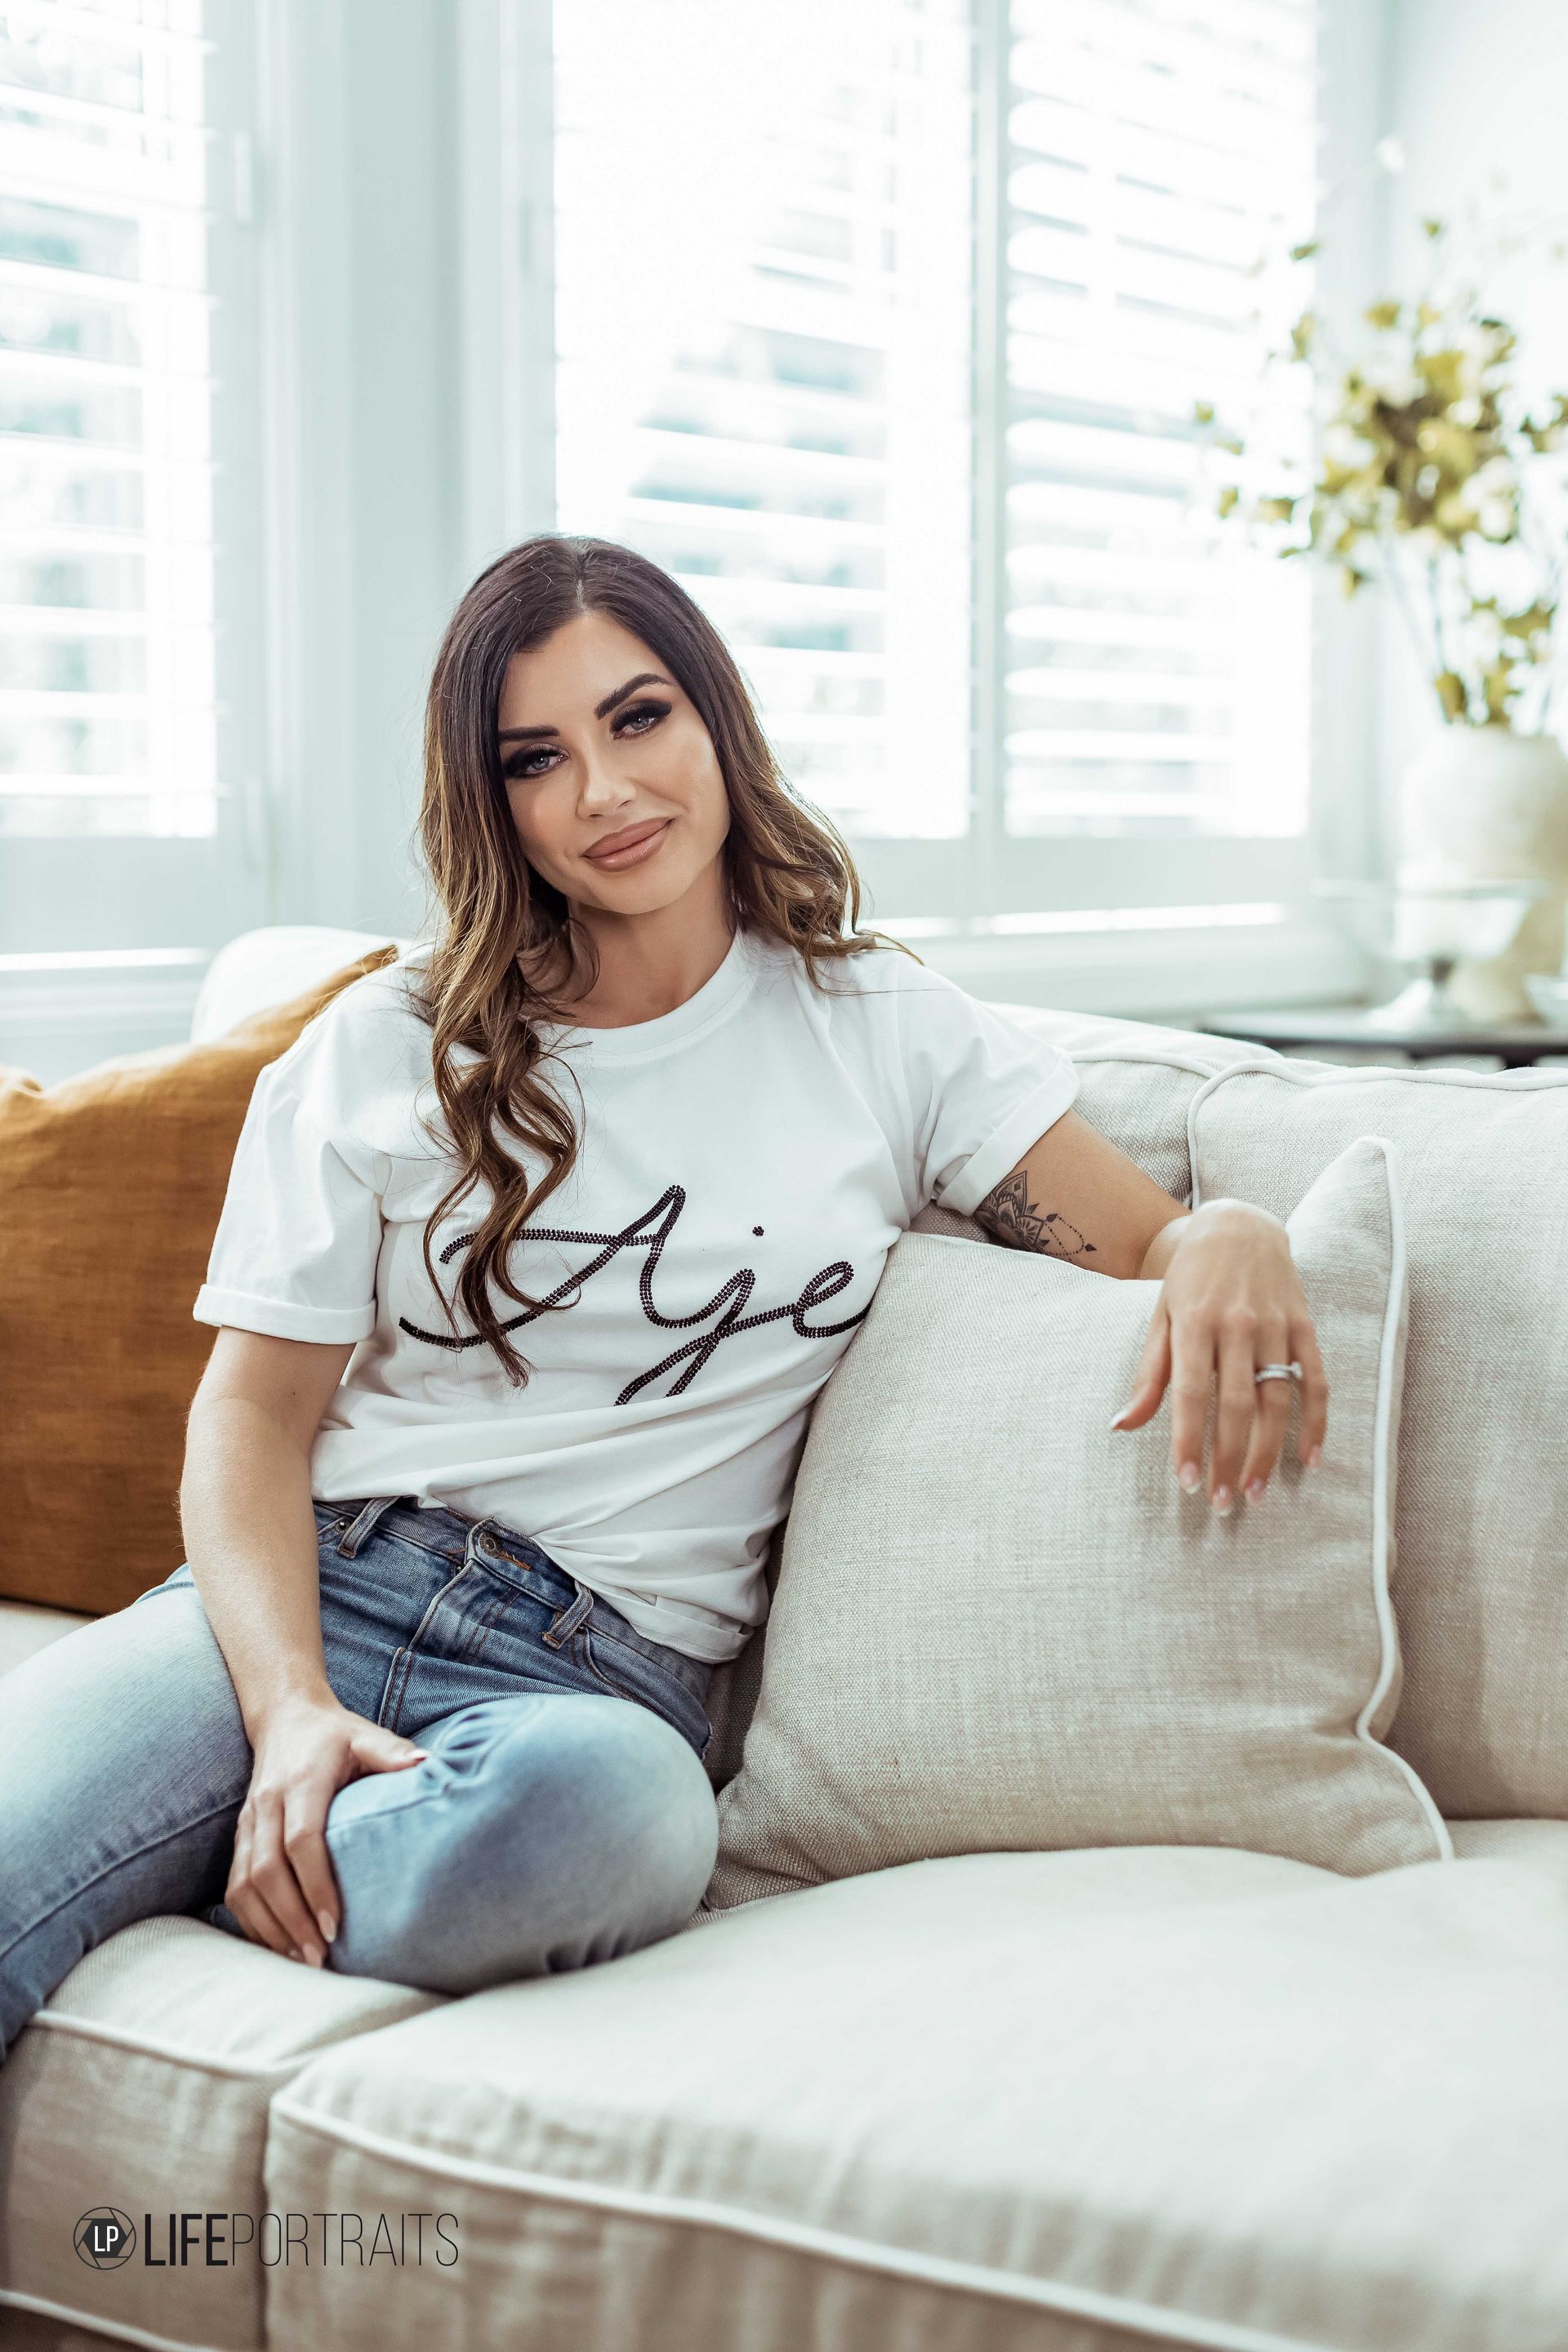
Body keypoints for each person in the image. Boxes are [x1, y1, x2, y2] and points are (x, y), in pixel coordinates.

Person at [0, 537, 1327, 2058]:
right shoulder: (388, 1044)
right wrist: (289, 1703)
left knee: (626, 1830)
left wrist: (1225, 1229)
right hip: (330, 1588)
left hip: (597, 1687)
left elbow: (1143, 1242)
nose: (606, 794)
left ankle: (248, 1870)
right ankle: (261, 1805)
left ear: (713, 717)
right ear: (490, 800)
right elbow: (247, 1415)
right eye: (536, 758)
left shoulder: (880, 1027)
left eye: (638, 720)